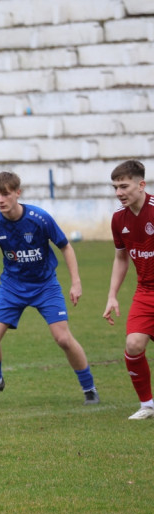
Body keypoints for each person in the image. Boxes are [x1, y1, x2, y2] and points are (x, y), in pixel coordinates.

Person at [0, 171, 98, 405]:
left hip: (45, 285)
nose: (0, 200)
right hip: (11, 287)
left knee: (63, 338)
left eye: (5, 194)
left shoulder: (40, 219)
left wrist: (76, 282)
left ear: (17, 193)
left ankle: (89, 388)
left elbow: (66, 247)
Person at [102, 159, 154, 419]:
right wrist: (112, 295)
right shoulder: (118, 219)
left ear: (141, 184)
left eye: (124, 186)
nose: (119, 193)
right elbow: (121, 258)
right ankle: (147, 405)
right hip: (145, 292)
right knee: (133, 344)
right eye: (115, 187)